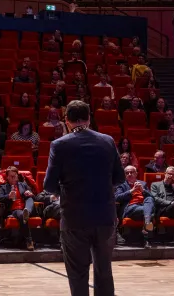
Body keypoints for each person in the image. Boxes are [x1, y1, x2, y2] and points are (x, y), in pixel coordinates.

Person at [43, 100, 123, 296]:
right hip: (104, 215)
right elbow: (120, 178)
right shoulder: (107, 141)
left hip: (74, 217)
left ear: (67, 121)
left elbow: (49, 185)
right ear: (88, 118)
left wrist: (67, 190)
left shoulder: (59, 145)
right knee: (104, 272)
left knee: (78, 273)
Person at [0, 166, 36, 251]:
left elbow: (36, 197)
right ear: (7, 177)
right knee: (21, 215)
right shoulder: (4, 187)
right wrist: (8, 196)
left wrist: (30, 193)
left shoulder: (23, 185)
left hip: (26, 207)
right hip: (14, 210)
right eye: (11, 176)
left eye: (15, 176)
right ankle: (29, 240)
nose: (14, 178)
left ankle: (27, 212)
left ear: (17, 176)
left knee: (30, 198)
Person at [113, 165, 155, 247]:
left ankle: (147, 221)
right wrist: (132, 190)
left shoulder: (143, 183)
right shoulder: (122, 185)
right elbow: (117, 198)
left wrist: (142, 190)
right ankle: (147, 239)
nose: (129, 174)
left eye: (131, 172)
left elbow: (152, 197)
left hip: (143, 206)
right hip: (130, 208)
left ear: (136, 174)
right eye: (127, 173)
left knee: (149, 199)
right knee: (150, 213)